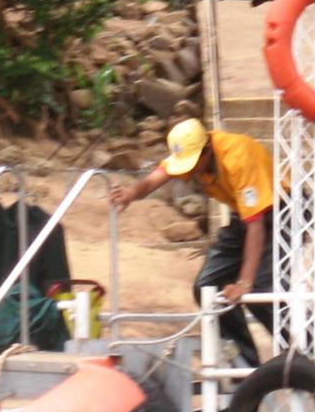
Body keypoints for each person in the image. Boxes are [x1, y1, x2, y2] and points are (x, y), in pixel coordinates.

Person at [110, 117, 278, 366]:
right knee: (207, 286)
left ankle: (306, 351)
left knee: (262, 289)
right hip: (244, 215)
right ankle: (245, 367)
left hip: (280, 211)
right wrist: (131, 194)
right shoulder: (190, 149)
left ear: (208, 150)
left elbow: (256, 225)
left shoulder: (238, 157)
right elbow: (155, 178)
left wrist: (244, 282)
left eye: (192, 165)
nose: (188, 173)